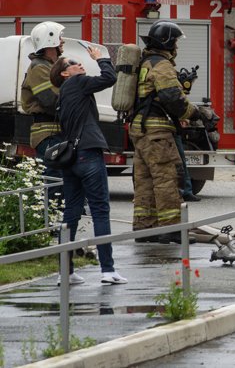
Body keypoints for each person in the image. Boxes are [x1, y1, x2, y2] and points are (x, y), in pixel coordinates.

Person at [50, 46, 127, 285]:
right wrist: (102, 59)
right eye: (74, 63)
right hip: (87, 154)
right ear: (65, 73)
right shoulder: (77, 83)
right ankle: (108, 270)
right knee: (100, 210)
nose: (80, 64)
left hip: (71, 159)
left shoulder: (63, 92)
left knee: (71, 213)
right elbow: (110, 78)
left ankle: (66, 271)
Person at [130, 21, 200, 244]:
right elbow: (173, 99)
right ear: (168, 42)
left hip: (140, 131)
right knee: (167, 179)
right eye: (176, 41)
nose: (177, 45)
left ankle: (145, 228)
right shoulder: (162, 65)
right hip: (157, 132)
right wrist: (197, 113)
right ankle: (171, 228)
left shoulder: (145, 62)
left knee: (145, 181)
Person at [21, 22, 66, 208]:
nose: (62, 41)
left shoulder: (50, 66)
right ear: (51, 41)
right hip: (47, 133)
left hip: (55, 132)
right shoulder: (39, 68)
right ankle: (53, 223)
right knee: (54, 179)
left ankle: (58, 221)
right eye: (59, 37)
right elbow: (50, 100)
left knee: (59, 179)